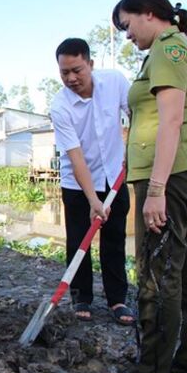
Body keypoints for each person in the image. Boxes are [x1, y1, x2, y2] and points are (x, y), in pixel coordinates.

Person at [96, 0, 187, 373]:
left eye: (127, 26)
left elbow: (171, 120)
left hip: (168, 179)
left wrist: (157, 189)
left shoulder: (168, 49)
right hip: (173, 174)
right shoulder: (168, 49)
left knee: (157, 278)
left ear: (147, 12)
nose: (127, 35)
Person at [51, 38, 133, 325]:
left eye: (77, 70)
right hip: (77, 184)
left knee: (114, 240)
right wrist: (92, 200)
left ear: (90, 64)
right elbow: (76, 158)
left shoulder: (115, 82)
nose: (71, 78)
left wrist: (135, 144)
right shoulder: (60, 106)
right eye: (64, 73)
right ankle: (81, 297)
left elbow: (136, 114)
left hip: (114, 177)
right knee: (78, 241)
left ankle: (117, 299)